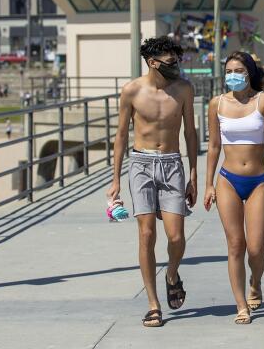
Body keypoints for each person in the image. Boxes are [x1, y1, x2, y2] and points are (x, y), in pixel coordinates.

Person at [106, 36, 198, 328]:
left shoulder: (183, 89)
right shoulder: (132, 90)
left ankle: (172, 274)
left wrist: (194, 173)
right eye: (170, 62)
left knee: (176, 237)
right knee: (146, 235)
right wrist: (115, 180)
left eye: (177, 61)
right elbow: (121, 135)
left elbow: (191, 132)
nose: (176, 67)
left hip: (172, 164)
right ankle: (153, 304)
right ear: (152, 62)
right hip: (141, 165)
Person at [204, 51, 264, 325]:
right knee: (236, 244)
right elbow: (213, 146)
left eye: (238, 70)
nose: (232, 75)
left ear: (249, 72)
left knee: (256, 248)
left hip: (259, 180)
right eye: (229, 71)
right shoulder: (217, 104)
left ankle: (255, 281)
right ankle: (240, 305)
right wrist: (208, 184)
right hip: (228, 180)